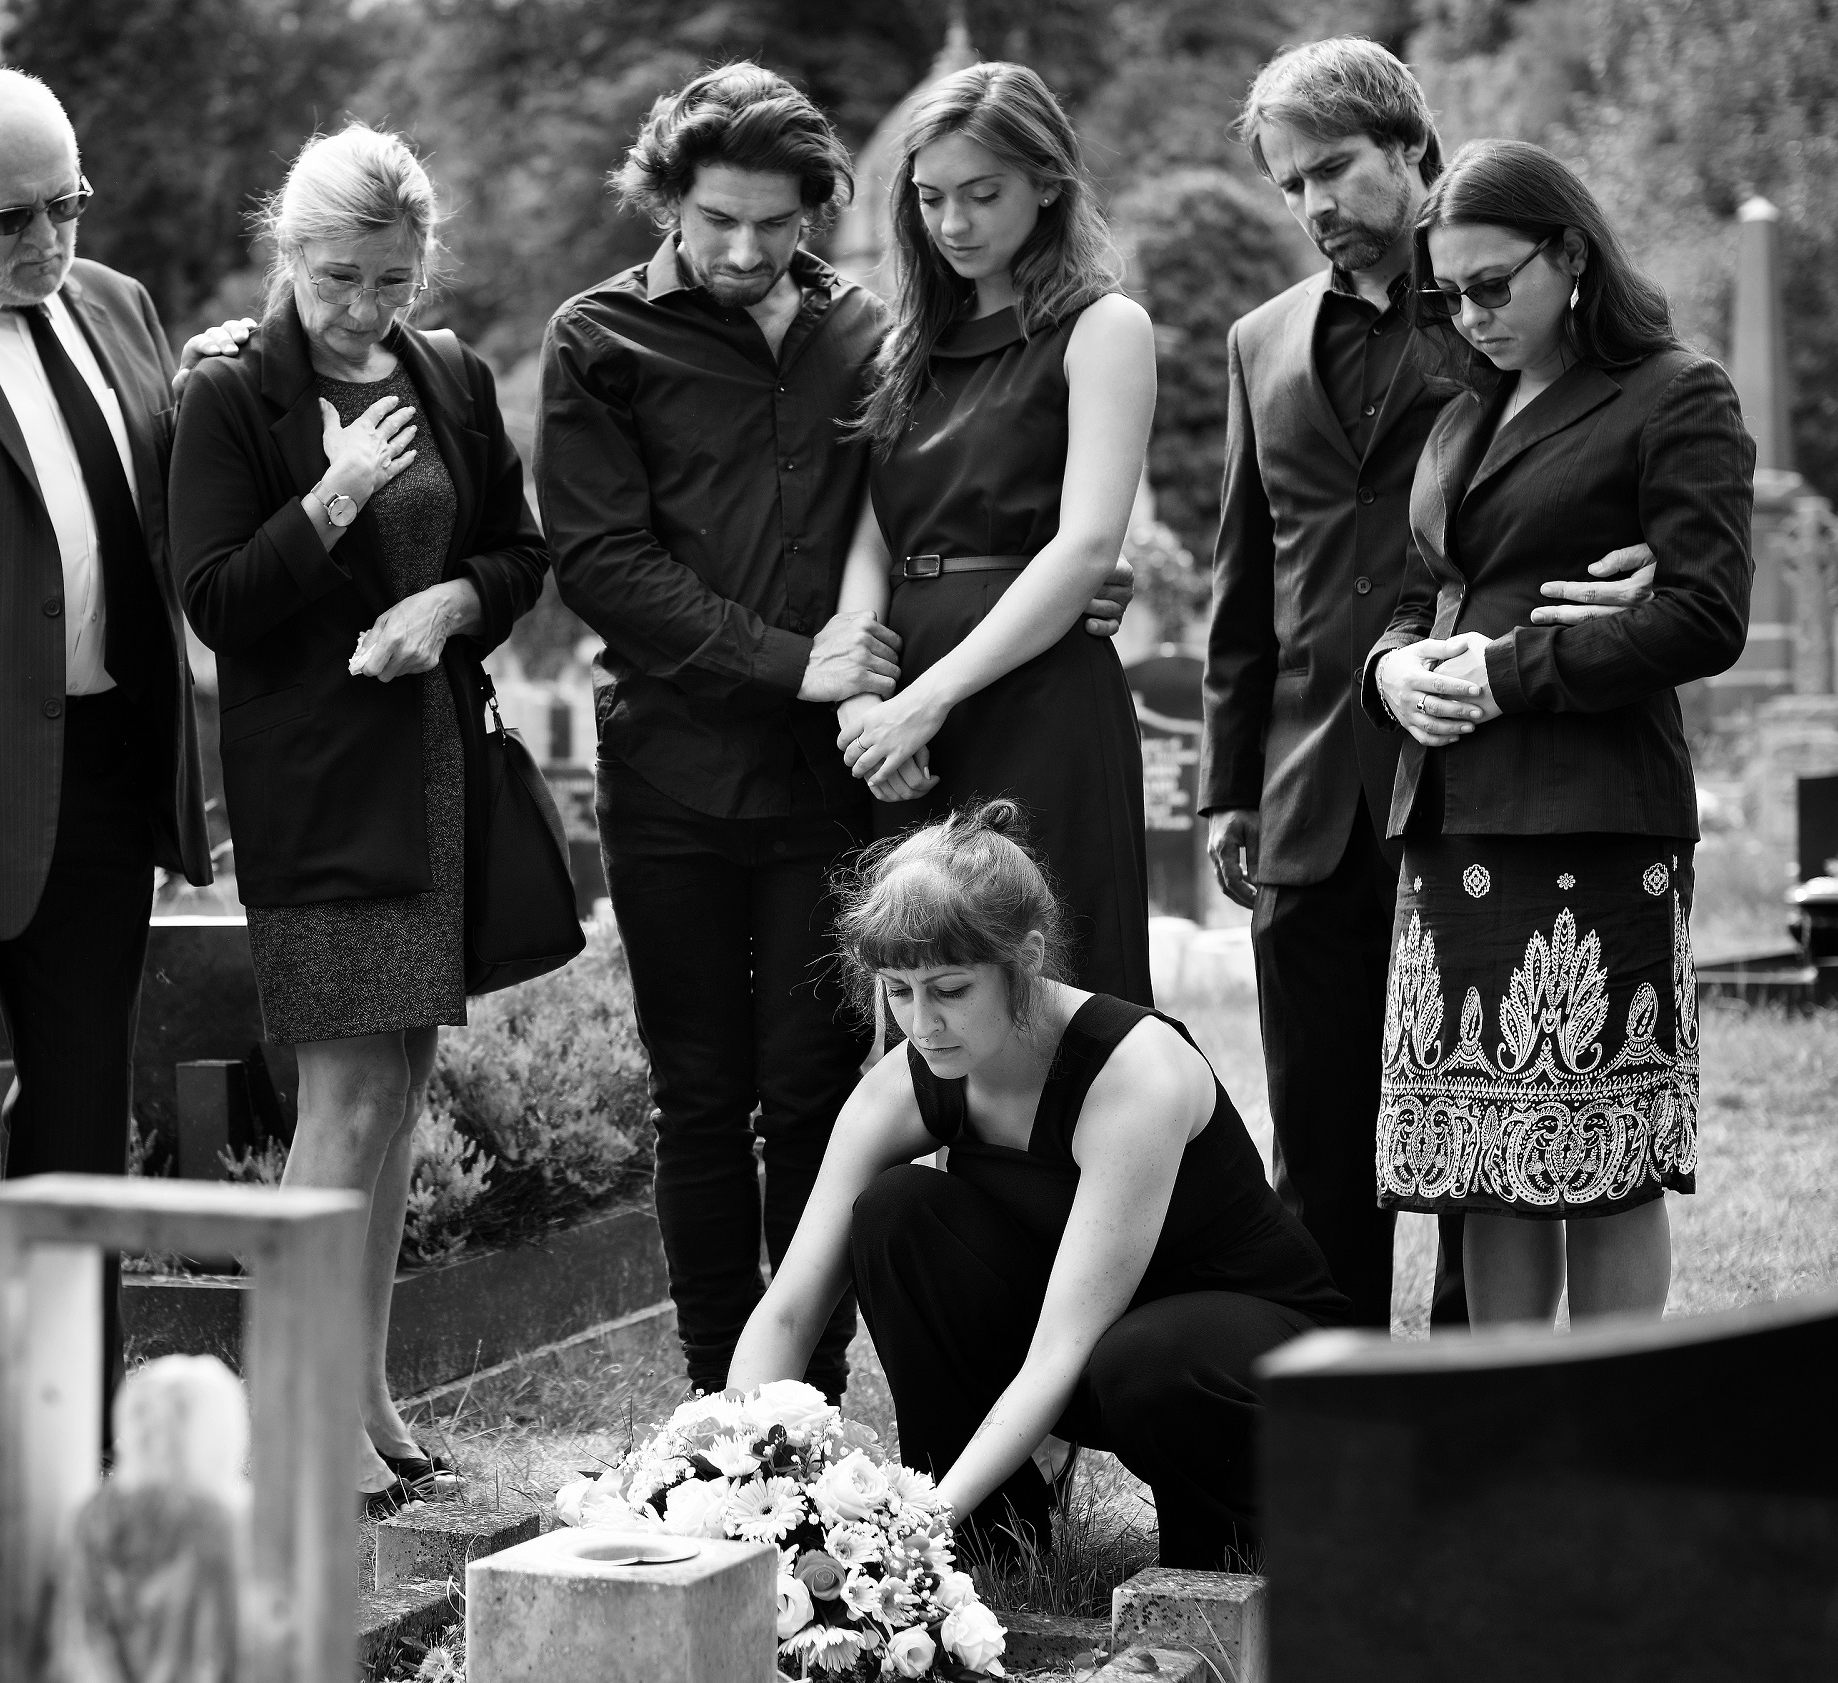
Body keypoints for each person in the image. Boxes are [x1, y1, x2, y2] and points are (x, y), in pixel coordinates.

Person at [535, 64, 1132, 1403]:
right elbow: (602, 560)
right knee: (696, 1094)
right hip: (675, 770)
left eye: (776, 221)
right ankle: (714, 1399)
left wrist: (1057, 570)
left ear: (818, 207)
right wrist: (796, 663)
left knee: (823, 1088)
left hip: (831, 785)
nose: (745, 249)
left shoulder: (871, 329)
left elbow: (928, 505)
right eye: (715, 220)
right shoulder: (596, 339)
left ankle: (806, 1391)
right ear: (667, 202)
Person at [1204, 39, 1657, 1329]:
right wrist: (1231, 785)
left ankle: (1470, 1417)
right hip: (1305, 793)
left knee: (1478, 1146)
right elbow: (1249, 576)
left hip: (1475, 777)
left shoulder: (1504, 303)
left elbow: (1623, 440)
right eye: (1289, 184)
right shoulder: (1256, 341)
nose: (1314, 207)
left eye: (1335, 170)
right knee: (1320, 1151)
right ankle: (1349, 1446)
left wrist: (1654, 563)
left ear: (1411, 150)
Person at [170, 124, 546, 1510]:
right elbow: (214, 600)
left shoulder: (448, 371)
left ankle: (367, 1390)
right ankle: (293, 1410)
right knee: (346, 1093)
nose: (362, 307)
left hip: (434, 775)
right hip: (316, 792)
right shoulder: (230, 392)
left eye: (390, 279)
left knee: (395, 1094)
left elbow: (519, 552)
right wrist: (333, 493)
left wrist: (452, 604)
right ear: (288, 251)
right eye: (338, 275)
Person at [0, 70, 248, 1327]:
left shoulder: (119, 303)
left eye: (65, 207)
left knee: (82, 1133)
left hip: (97, 785)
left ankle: (71, 1444)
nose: (46, 243)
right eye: (9, 220)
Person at [728, 801, 1347, 1570]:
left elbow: (1063, 1347)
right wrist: (726, 1478)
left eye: (950, 989)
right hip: (1098, 1351)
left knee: (1146, 1356)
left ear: (1023, 959)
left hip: (1243, 1365)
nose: (923, 1023)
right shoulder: (907, 1080)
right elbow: (789, 1307)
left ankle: (1238, 1558)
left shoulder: (1134, 1074)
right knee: (896, 1214)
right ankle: (990, 1546)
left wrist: (908, 1529)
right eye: (898, 990)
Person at [1364, 138, 1754, 1326]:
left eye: (1492, 285)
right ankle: (1504, 1443)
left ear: (1570, 253)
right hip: (1450, 814)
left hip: (1588, 814)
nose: (1468, 315)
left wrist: (1506, 671)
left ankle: (1609, 1445)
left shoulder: (1674, 393)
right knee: (1476, 1167)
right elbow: (1417, 589)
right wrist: (1392, 675)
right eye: (1448, 293)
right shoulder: (1460, 410)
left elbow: (1703, 614)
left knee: (1601, 1162)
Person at [834, 62, 1157, 1006]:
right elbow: (870, 536)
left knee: (1057, 979)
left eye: (984, 195)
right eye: (931, 199)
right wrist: (866, 706)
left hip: (1039, 689)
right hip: (903, 703)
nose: (955, 224)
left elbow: (1088, 546)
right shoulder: (900, 347)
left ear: (1048, 181)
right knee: (926, 984)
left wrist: (925, 701)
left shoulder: (1103, 326)